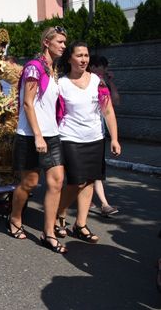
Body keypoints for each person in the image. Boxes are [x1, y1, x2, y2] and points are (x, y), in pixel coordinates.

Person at [54, 42, 121, 243]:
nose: (84, 59)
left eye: (86, 55)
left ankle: (80, 224)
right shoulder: (61, 83)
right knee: (77, 181)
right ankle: (59, 213)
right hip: (70, 137)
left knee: (90, 180)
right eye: (79, 55)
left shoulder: (97, 82)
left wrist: (115, 138)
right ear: (69, 59)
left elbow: (108, 111)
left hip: (95, 138)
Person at [9, 26, 67, 254]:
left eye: (64, 42)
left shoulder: (52, 70)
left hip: (52, 136)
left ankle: (48, 233)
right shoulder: (34, 68)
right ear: (47, 43)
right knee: (29, 183)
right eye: (59, 41)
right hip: (31, 136)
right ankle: (14, 218)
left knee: (56, 182)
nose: (63, 45)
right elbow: (28, 103)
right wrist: (38, 136)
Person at [89, 55, 120, 217]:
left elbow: (114, 102)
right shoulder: (81, 81)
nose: (105, 70)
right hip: (74, 136)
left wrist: (110, 81)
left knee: (96, 171)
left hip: (97, 133)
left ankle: (103, 203)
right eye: (103, 67)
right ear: (93, 67)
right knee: (79, 176)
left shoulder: (101, 84)